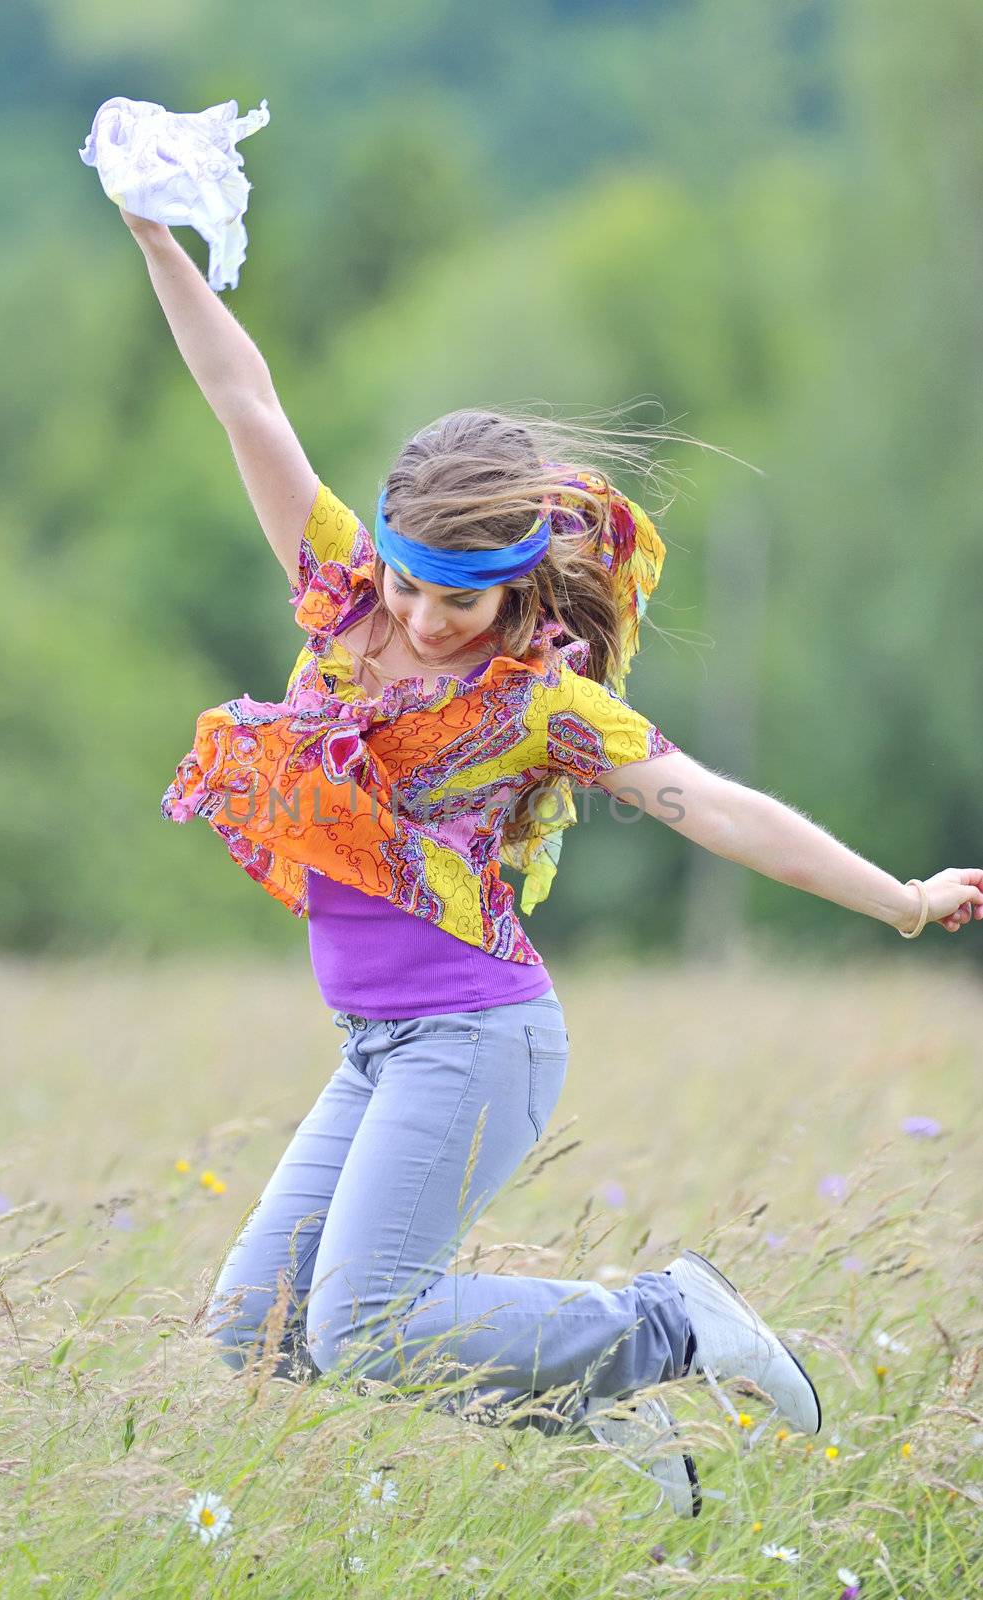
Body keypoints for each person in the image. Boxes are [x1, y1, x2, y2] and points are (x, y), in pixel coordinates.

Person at [120, 206, 983, 1519]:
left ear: (517, 590)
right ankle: (600, 1416)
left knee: (362, 1327)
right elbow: (245, 400)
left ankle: (665, 1323)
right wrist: (153, 236)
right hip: (375, 1043)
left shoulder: (541, 707)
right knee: (258, 1329)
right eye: (409, 584)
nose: (419, 618)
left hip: (476, 1040)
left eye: (457, 602)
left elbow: (714, 809)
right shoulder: (341, 590)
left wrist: (902, 900)